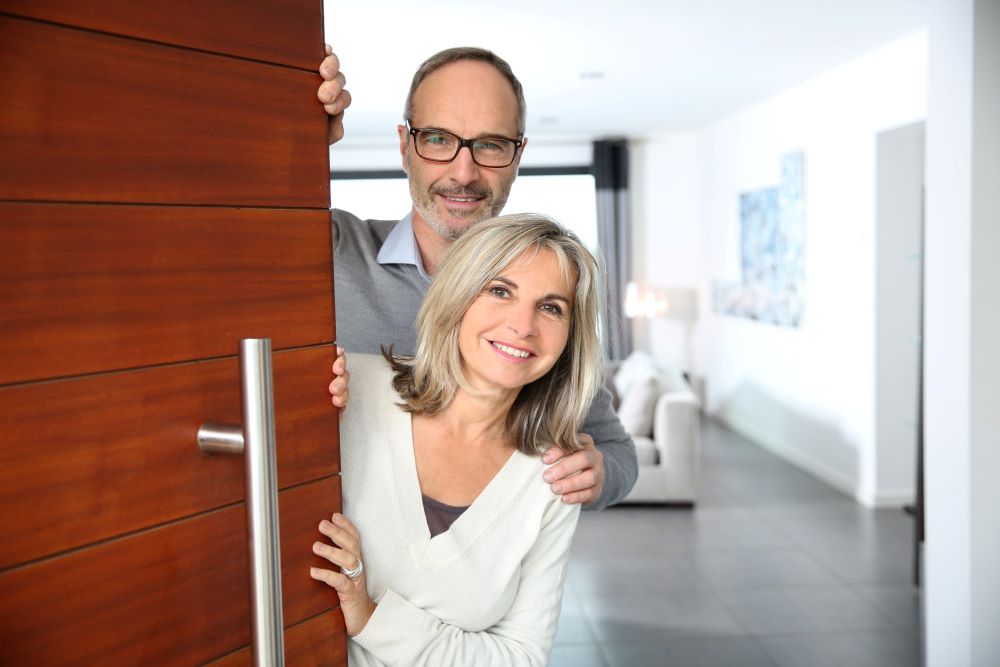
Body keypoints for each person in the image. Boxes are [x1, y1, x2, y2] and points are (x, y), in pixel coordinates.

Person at [318, 45, 638, 510]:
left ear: (518, 153)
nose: (463, 173)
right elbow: (214, 214)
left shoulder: (543, 306)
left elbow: (617, 452)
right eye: (438, 139)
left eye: (490, 145)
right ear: (405, 144)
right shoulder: (331, 248)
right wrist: (296, 139)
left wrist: (599, 474)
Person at [311, 214, 603, 665]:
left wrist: (370, 617)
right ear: (458, 297)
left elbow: (520, 657)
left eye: (551, 307)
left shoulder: (552, 478)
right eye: (500, 291)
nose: (523, 325)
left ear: (569, 338)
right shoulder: (348, 389)